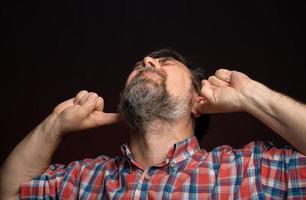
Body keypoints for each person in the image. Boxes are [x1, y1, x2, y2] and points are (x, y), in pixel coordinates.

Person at [1, 49, 306, 199]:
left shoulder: (249, 172)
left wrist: (252, 96)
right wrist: (56, 124)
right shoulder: (86, 178)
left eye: (165, 63)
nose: (147, 61)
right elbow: (11, 192)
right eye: (141, 65)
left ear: (196, 101)